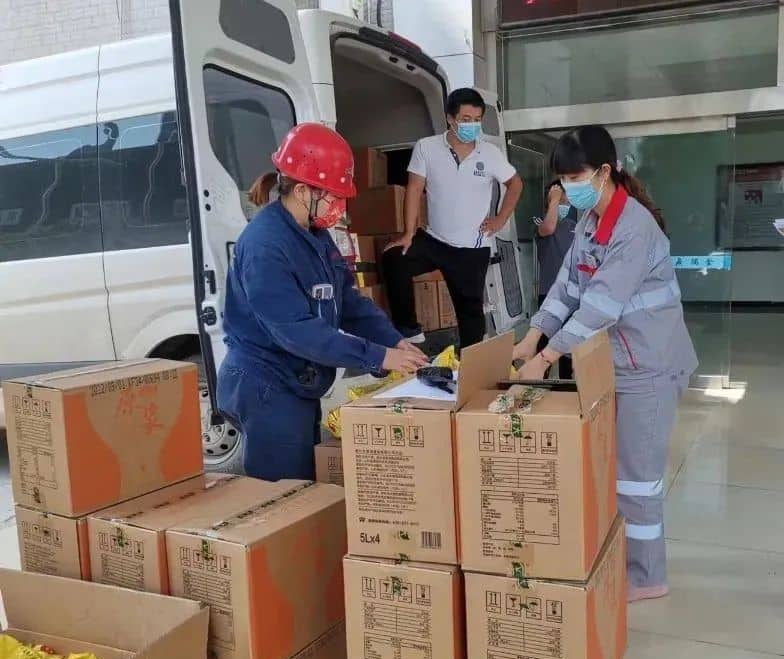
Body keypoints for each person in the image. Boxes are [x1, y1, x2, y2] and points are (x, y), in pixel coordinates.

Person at [512, 125, 697, 603]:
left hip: (650, 366)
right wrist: (531, 336)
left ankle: (646, 576)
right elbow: (566, 288)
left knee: (637, 477)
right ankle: (624, 560)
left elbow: (599, 307)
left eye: (575, 178)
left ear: (604, 172)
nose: (568, 187)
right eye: (562, 179)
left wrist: (546, 357)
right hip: (619, 363)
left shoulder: (634, 228)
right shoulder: (589, 222)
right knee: (615, 469)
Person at [217, 123, 428, 482]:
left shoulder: (315, 234)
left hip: (296, 379)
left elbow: (346, 300)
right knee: (285, 495)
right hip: (265, 384)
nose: (340, 207)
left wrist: (393, 341)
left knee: (304, 482)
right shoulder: (265, 246)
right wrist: (378, 356)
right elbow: (297, 331)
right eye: (334, 196)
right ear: (302, 191)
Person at [381, 88, 523, 347]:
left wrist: (501, 218)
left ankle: (470, 364)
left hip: (472, 248)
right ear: (450, 118)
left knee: (471, 316)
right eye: (466, 119)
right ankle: (409, 329)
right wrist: (409, 233)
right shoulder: (427, 147)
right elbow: (414, 189)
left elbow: (515, 184)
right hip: (434, 240)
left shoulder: (490, 153)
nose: (472, 125)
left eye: (477, 120)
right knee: (394, 258)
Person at [533, 180, 577, 379]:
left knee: (568, 349)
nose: (565, 203)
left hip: (572, 296)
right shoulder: (541, 223)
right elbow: (549, 228)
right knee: (544, 346)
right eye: (561, 199)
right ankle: (539, 384)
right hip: (549, 295)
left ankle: (566, 388)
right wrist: (555, 200)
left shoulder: (573, 226)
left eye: (565, 199)